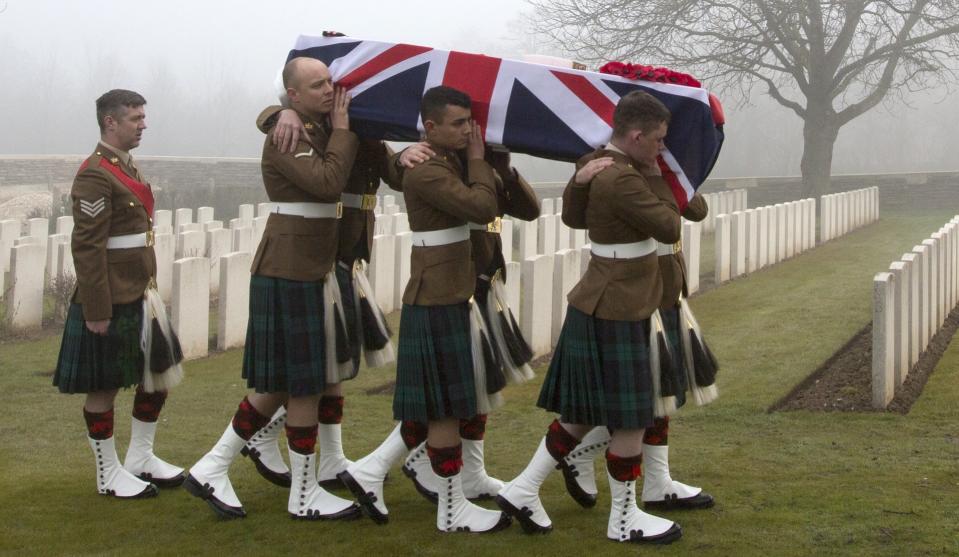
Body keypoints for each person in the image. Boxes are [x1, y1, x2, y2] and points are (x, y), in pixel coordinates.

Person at [496, 90, 683, 544]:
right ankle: (624, 519)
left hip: (603, 298)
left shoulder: (605, 168)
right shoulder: (625, 178)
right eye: (657, 139)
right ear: (635, 135)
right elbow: (671, 225)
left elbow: (575, 219)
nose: (662, 147)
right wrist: (658, 175)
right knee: (632, 416)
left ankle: (522, 489)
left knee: (580, 414)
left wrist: (579, 180)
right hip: (620, 303)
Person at [183, 57, 360, 521]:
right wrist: (337, 127)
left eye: (330, 81)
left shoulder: (310, 125)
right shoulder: (288, 133)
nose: (329, 89)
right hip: (290, 267)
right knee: (299, 382)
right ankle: (301, 494)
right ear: (293, 96)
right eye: (317, 85)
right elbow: (326, 183)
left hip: (310, 266)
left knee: (295, 379)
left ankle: (213, 466)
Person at [338, 86, 511, 534]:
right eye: (458, 123)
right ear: (429, 128)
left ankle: (373, 471)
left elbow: (511, 206)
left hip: (454, 293)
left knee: (449, 403)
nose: (468, 130)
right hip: (437, 296)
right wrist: (478, 159)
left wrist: (497, 162)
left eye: (470, 122)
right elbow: (482, 205)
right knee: (445, 408)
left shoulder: (450, 161)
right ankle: (452, 509)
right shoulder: (427, 170)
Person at [238, 106, 427, 490]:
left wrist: (403, 159)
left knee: (333, 364)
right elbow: (279, 116)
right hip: (319, 251)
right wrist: (282, 112)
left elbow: (387, 169)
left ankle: (331, 460)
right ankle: (248, 444)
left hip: (348, 249)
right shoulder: (303, 122)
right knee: (308, 367)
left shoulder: (359, 124)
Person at [558, 159, 718, 511]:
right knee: (638, 397)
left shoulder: (666, 166)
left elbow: (697, 209)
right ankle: (580, 453)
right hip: (637, 291)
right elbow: (579, 214)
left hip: (668, 288)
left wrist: (669, 172)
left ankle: (658, 482)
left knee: (663, 393)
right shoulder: (603, 162)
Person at [53, 88, 186, 499]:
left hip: (141, 290)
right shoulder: (95, 173)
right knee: (105, 385)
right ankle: (107, 471)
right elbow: (88, 246)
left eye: (143, 116)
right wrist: (97, 308)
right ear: (110, 122)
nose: (143, 124)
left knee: (157, 377)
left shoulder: (126, 166)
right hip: (112, 295)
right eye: (135, 118)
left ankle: (141, 457)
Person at [402, 146, 540, 502]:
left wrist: (505, 170)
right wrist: (401, 153)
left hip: (484, 279)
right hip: (458, 283)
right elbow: (479, 206)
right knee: (451, 391)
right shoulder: (440, 167)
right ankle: (391, 464)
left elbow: (529, 210)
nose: (471, 133)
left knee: (480, 385)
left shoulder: (485, 167)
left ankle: (474, 473)